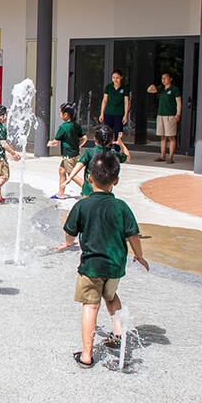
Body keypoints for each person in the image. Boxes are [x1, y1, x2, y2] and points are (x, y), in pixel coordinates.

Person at [56, 152, 149, 368]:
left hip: (91, 266)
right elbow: (133, 234)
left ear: (89, 178)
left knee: (91, 306)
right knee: (111, 296)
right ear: (115, 181)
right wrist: (139, 255)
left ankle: (87, 355)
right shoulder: (121, 207)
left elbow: (69, 230)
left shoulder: (83, 205)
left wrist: (69, 243)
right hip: (115, 266)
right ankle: (118, 335)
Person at [62, 124, 130, 199]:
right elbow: (127, 156)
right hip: (105, 195)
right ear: (111, 141)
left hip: (88, 193)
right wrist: (121, 143)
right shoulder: (113, 154)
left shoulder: (89, 152)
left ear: (95, 139)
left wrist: (70, 178)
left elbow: (79, 165)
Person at [47, 102, 86, 199]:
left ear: (65, 114)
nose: (60, 115)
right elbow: (85, 138)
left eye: (60, 113)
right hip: (74, 154)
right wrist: (79, 145)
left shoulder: (63, 127)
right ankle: (61, 193)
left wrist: (50, 143)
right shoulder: (76, 126)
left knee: (71, 174)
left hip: (68, 156)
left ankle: (88, 189)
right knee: (61, 170)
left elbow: (56, 141)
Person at [147, 72, 182, 163]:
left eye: (166, 78)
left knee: (171, 136)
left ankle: (171, 157)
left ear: (170, 79)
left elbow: (178, 102)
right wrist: (154, 87)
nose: (164, 80)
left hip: (170, 115)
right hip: (161, 115)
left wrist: (178, 114)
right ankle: (162, 155)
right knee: (162, 136)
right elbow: (149, 90)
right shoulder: (161, 89)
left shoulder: (174, 89)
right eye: (162, 78)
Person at [100, 70, 130, 150]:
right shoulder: (109, 87)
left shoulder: (124, 88)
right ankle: (107, 149)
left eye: (117, 78)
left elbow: (126, 102)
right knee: (107, 132)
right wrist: (102, 113)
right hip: (108, 112)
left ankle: (117, 150)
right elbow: (105, 100)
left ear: (121, 78)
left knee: (118, 132)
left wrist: (125, 115)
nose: (115, 80)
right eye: (113, 78)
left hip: (119, 113)